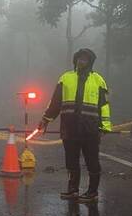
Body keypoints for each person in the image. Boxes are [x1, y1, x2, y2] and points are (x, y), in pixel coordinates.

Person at [38, 48, 111, 202]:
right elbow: (55, 103)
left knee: (92, 161)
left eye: (84, 59)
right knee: (71, 160)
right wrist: (45, 119)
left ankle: (92, 192)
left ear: (90, 62)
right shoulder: (65, 78)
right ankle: (73, 190)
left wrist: (104, 126)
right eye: (79, 58)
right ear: (75, 60)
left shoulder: (99, 80)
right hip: (69, 128)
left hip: (90, 129)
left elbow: (104, 106)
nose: (81, 61)